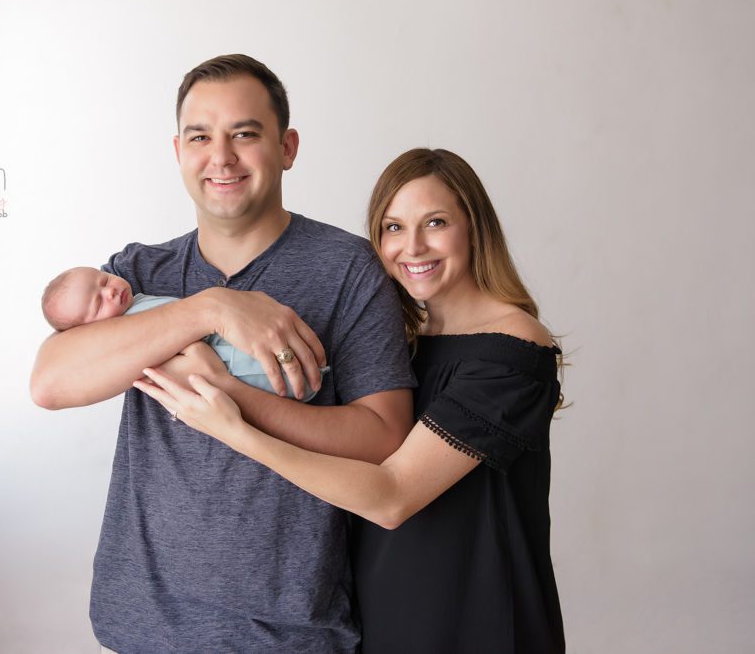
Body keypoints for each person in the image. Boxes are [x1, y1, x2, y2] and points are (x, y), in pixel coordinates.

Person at [30, 55, 415, 652]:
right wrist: (211, 308)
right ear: (178, 152)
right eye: (200, 136)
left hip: (289, 632)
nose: (222, 157)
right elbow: (51, 383)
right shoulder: (135, 275)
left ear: (287, 147)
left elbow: (384, 438)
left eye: (245, 133)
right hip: (143, 625)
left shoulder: (347, 269)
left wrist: (232, 400)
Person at [136, 148, 566, 654]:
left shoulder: (512, 349)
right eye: (393, 228)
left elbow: (391, 497)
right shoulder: (408, 342)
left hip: (475, 617)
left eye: (436, 222)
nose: (414, 247)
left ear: (475, 227)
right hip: (385, 613)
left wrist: (235, 429)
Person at [40, 265, 327, 400]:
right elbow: (45, 387)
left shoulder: (134, 286)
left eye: (103, 280)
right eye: (98, 302)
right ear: (89, 331)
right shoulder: (125, 328)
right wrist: (209, 310)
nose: (110, 290)